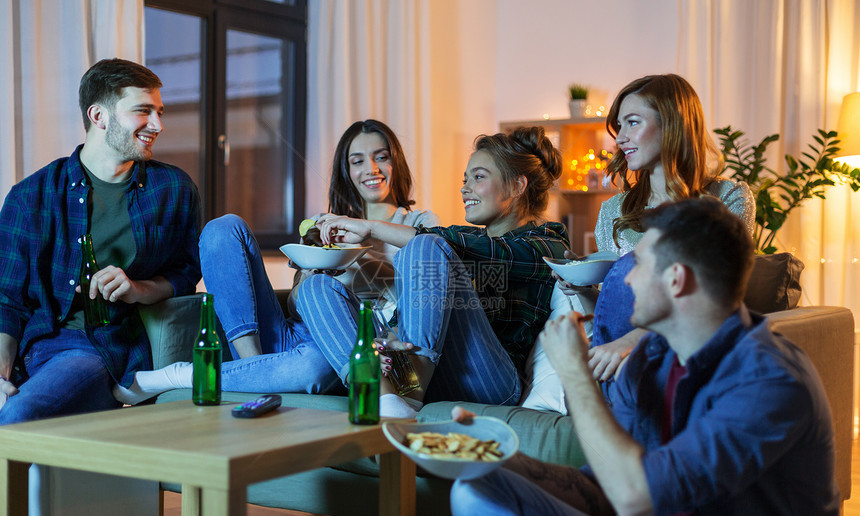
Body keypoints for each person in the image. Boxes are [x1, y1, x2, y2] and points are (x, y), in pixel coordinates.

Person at [451, 199, 857, 516]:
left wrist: (575, 373)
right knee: (476, 489)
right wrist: (495, 454)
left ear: (677, 279)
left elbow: (634, 497)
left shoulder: (768, 381)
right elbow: (602, 492)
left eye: (638, 265)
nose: (625, 281)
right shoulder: (649, 362)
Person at [116, 119, 439, 403]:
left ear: (396, 162)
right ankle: (251, 365)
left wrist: (361, 254)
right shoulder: (324, 224)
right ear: (347, 171)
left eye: (381, 157)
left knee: (315, 367)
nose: (371, 169)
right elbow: (297, 303)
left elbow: (424, 301)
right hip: (294, 334)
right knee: (222, 228)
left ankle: (181, 376)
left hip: (341, 344)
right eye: (357, 161)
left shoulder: (419, 224)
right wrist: (316, 271)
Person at [294, 126, 569, 417]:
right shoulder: (468, 239)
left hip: (495, 383)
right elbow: (426, 299)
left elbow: (480, 250)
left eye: (478, 177)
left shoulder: (548, 245)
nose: (464, 188)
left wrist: (371, 228)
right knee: (317, 288)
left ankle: (407, 396)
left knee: (425, 244)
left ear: (517, 186)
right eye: (465, 179)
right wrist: (393, 336)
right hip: (442, 374)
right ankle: (384, 398)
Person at [0, 59, 201, 423]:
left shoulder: (173, 189)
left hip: (117, 346)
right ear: (99, 116)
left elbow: (184, 274)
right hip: (47, 343)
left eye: (159, 112)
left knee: (21, 415)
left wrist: (138, 288)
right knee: (15, 412)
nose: (157, 125)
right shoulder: (31, 195)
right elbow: (7, 302)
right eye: (143, 111)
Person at [553, 74, 754, 383]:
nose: (619, 138)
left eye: (633, 122)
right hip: (620, 361)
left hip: (685, 351)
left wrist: (629, 343)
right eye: (619, 126)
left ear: (673, 124)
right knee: (623, 272)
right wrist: (581, 288)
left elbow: (716, 300)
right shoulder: (614, 211)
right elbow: (613, 307)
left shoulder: (728, 198)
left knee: (631, 265)